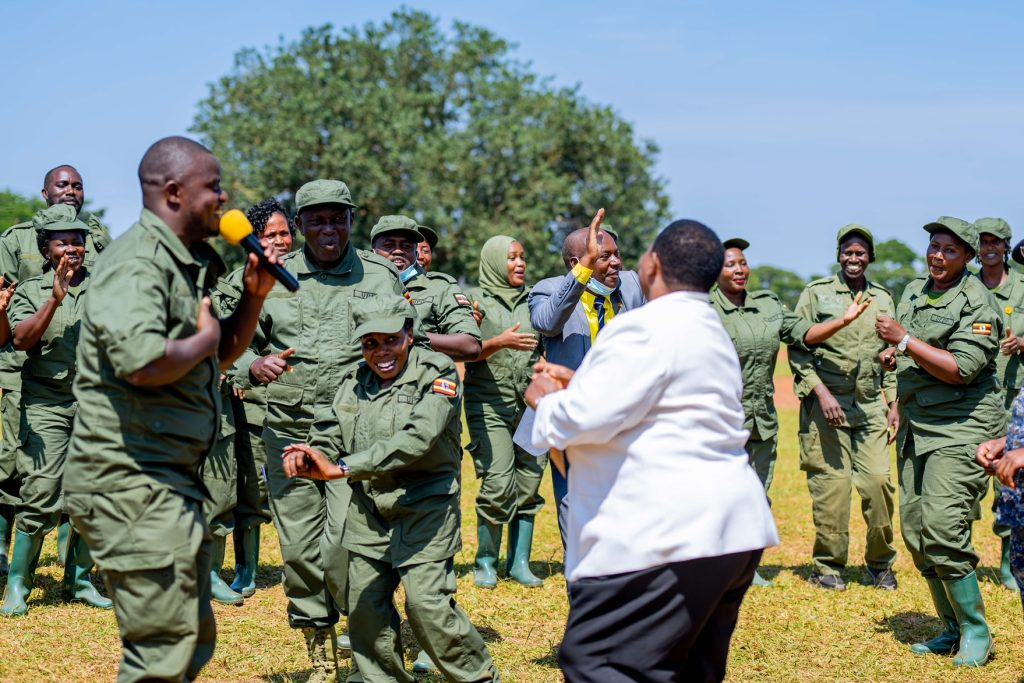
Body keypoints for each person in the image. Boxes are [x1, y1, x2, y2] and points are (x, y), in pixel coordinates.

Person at [526, 219, 778, 683]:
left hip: (665, 537)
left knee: (598, 666)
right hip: (735, 531)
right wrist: (583, 383)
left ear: (654, 264)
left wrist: (545, 397)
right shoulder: (709, 329)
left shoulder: (641, 328)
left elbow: (580, 420)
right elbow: (663, 400)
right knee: (689, 671)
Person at [62, 136, 276, 682]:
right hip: (127, 479)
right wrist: (204, 341)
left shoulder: (189, 262)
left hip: (168, 478)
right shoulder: (137, 264)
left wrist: (253, 297)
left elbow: (219, 354)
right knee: (161, 653)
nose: (224, 198)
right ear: (176, 193)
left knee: (189, 638)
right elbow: (142, 363)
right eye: (214, 187)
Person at [227, 179, 408, 682]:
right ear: (300, 225)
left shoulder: (380, 276)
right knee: (301, 550)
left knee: (346, 548)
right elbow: (234, 340)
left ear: (352, 221)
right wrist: (252, 364)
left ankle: (371, 641)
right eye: (317, 219)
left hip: (356, 433)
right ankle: (320, 650)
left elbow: (405, 344)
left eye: (338, 218)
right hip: (287, 429)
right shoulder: (270, 274)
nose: (328, 228)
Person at [282, 294, 500, 683]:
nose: (381, 352)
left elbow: (417, 438)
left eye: (390, 340)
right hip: (370, 509)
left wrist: (345, 467)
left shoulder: (439, 372)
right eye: (370, 343)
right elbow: (330, 431)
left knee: (427, 606)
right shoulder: (354, 381)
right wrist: (310, 455)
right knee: (365, 607)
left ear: (410, 335)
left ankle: (478, 677)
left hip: (425, 506)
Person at [875, 216, 1004, 667]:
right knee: (916, 532)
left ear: (968, 257)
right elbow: (913, 350)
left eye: (950, 250)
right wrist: (894, 354)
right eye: (934, 246)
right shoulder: (914, 290)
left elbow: (961, 368)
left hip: (962, 427)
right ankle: (949, 627)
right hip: (917, 423)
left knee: (945, 529)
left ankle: (975, 631)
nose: (937, 255)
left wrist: (905, 340)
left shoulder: (978, 302)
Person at [711, 237, 872, 588]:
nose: (739, 269)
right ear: (713, 270)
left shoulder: (768, 305)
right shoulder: (704, 308)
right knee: (716, 493)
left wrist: (843, 322)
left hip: (760, 417)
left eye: (742, 262)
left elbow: (804, 334)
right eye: (730, 264)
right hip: (717, 417)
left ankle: (745, 567)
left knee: (756, 493)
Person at [0, 206, 111, 616]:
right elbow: (21, 340)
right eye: (62, 242)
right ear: (47, 249)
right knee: (40, 492)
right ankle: (18, 583)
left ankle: (79, 581)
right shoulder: (31, 289)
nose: (72, 248)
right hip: (46, 402)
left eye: (78, 240)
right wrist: (55, 299)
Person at [788, 225, 899, 591]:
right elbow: (798, 348)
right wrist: (821, 393)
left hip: (870, 406)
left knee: (878, 482)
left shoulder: (882, 298)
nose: (854, 259)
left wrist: (893, 399)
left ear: (870, 258)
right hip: (828, 406)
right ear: (839, 255)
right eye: (848, 253)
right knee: (832, 488)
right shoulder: (816, 294)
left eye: (861, 253)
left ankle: (880, 563)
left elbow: (892, 355)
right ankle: (828, 566)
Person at [528, 209, 645, 548]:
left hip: (625, 413)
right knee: (574, 501)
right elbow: (547, 323)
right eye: (603, 257)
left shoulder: (632, 286)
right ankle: (582, 574)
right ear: (576, 262)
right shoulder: (548, 290)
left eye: (616, 255)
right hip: (575, 415)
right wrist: (584, 270)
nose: (616, 263)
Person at [213, 198, 296, 600]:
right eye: (270, 235)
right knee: (249, 487)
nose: (280, 241)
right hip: (254, 402)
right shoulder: (235, 284)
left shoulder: (309, 276)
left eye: (285, 232)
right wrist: (252, 364)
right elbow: (229, 340)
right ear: (252, 241)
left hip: (306, 401)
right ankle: (245, 569)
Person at [463, 236, 544, 588]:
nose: (520, 263)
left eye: (523, 257)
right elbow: (464, 350)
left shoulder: (536, 303)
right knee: (498, 483)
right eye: (512, 258)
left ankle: (520, 562)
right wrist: (499, 342)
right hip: (488, 404)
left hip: (531, 405)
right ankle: (485, 560)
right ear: (494, 261)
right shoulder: (475, 303)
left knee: (529, 479)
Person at [973, 216, 1024, 591]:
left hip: (1017, 395)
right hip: (976, 396)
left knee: (1011, 478)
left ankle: (1009, 557)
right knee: (974, 474)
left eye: (996, 242)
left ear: (1007, 246)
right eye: (983, 242)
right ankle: (961, 556)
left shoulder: (1023, 285)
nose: (989, 248)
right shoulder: (966, 286)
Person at [369, 215, 480, 360]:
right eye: (388, 245)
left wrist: (408, 334)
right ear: (373, 252)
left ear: (415, 253)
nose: (398, 251)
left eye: (406, 246)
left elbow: (470, 346)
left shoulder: (440, 288)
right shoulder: (358, 285)